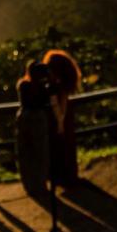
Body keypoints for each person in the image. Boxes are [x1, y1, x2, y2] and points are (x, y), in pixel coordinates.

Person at [43, 49, 81, 186]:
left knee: (59, 148)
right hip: (65, 119)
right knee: (67, 147)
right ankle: (68, 175)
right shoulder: (63, 85)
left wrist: (60, 123)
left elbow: (58, 107)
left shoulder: (56, 87)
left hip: (58, 119)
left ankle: (61, 177)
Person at [15, 62, 52, 198]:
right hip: (37, 118)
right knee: (40, 152)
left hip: (24, 118)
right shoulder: (41, 87)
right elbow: (45, 101)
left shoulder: (23, 85)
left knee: (26, 152)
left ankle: (30, 185)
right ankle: (40, 184)